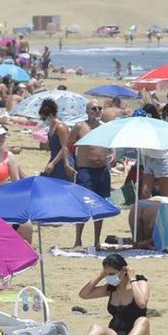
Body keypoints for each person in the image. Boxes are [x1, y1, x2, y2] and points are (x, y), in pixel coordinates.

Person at [73, 254, 151, 335]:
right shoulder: (111, 288)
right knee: (96, 327)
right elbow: (84, 294)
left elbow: (142, 304)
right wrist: (100, 276)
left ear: (123, 271)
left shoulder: (140, 283)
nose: (109, 277)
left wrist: (132, 279)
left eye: (112, 274)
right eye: (107, 274)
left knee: (143, 320)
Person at [70, 100, 112, 248]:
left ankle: (96, 240)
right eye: (94, 108)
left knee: (100, 206)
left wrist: (113, 154)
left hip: (102, 171)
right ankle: (78, 239)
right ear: (87, 111)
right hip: (85, 171)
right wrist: (71, 163)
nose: (97, 111)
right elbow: (69, 144)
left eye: (99, 108)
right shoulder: (80, 127)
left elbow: (112, 144)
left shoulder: (105, 128)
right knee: (83, 204)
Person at [40, 98, 75, 181]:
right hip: (54, 159)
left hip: (63, 161)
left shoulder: (60, 127)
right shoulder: (51, 127)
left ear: (51, 115)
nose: (44, 121)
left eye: (44, 119)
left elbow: (64, 147)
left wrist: (54, 163)